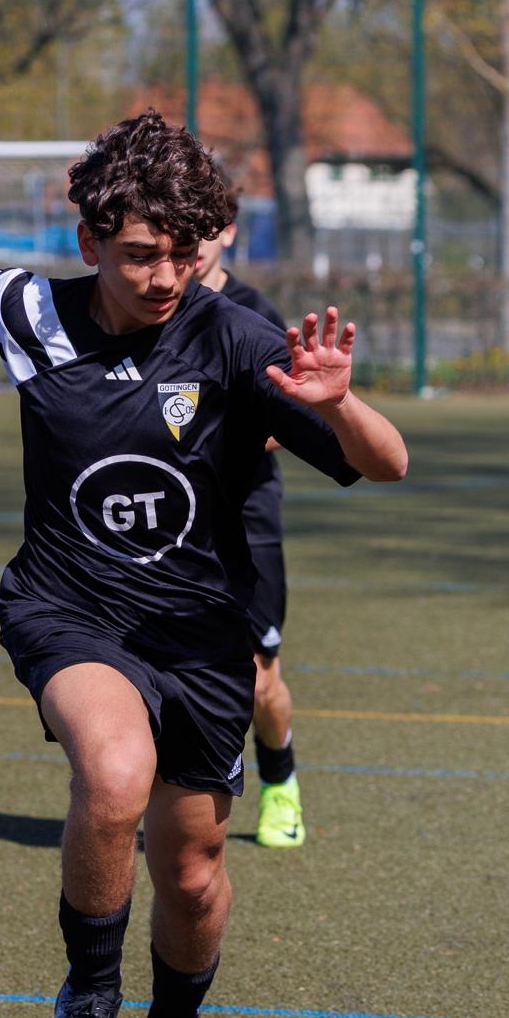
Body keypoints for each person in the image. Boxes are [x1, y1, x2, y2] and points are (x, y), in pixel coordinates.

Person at [0, 112, 408, 1018]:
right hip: (67, 606)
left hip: (199, 634)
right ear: (89, 240)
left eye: (184, 253)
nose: (164, 275)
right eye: (140, 253)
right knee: (112, 773)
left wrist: (340, 403)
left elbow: (386, 464)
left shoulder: (233, 337)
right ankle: (89, 991)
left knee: (192, 872)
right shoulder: (33, 311)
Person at [195, 192, 306, 849]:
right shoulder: (149, 308)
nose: (195, 243)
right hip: (170, 522)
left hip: (246, 517)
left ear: (230, 232)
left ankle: (280, 780)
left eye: (207, 229)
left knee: (260, 677)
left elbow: (287, 419)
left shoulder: (253, 313)